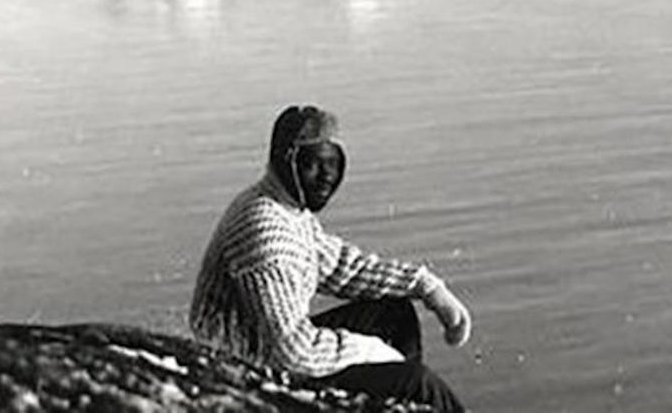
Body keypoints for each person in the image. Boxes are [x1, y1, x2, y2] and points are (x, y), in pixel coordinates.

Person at [190, 104, 472, 412]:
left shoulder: (288, 208)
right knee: (419, 382)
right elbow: (291, 354)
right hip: (248, 366)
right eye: (314, 164)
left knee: (394, 313)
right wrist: (375, 353)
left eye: (334, 164)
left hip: (269, 343)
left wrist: (426, 286)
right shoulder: (263, 230)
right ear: (287, 161)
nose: (327, 177)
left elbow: (340, 267)